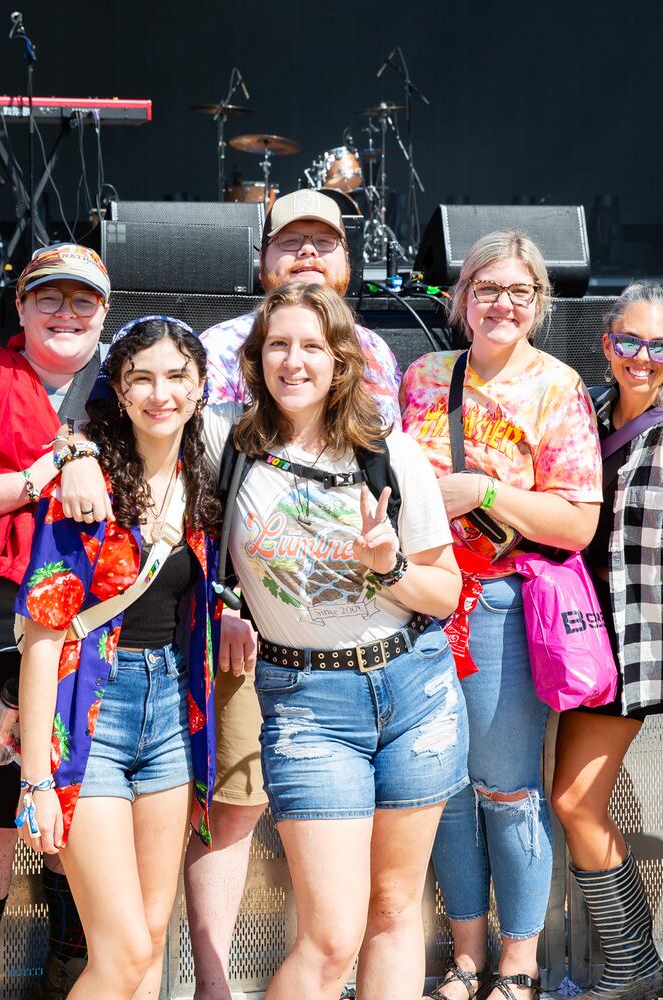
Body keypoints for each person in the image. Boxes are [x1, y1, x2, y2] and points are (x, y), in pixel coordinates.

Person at [206, 280, 463, 999]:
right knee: (328, 939)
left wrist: (388, 566)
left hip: (415, 690)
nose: (294, 361)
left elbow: (442, 593)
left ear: (339, 360)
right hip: (307, 704)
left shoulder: (388, 451)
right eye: (278, 346)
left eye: (311, 347)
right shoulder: (227, 444)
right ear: (255, 361)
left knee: (393, 909)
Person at [188, 187, 403, 1000]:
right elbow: (197, 494)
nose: (307, 255)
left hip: (358, 635)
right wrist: (226, 602)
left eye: (324, 243)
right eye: (291, 243)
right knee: (235, 803)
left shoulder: (377, 356)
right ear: (263, 257)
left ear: (347, 261)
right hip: (248, 622)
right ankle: (212, 984)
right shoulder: (214, 350)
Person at [400, 231, 602, 1000]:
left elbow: (577, 524)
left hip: (500, 606)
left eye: (519, 291)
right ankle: (465, 957)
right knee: (442, 787)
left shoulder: (557, 388)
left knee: (505, 788)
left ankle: (519, 966)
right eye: (486, 288)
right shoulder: (422, 378)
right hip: (419, 603)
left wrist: (481, 492)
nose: (501, 304)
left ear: (539, 303)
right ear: (459, 298)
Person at [15, 316, 219, 1000]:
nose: (160, 394)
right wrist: (37, 780)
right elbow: (43, 637)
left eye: (175, 378)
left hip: (170, 715)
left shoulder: (201, 484)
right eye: (142, 379)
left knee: (152, 941)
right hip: (91, 713)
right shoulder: (85, 491)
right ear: (120, 391)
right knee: (124, 950)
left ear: (198, 388)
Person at [550, 282, 663, 1000]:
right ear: (605, 342)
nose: (641, 356)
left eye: (658, 346)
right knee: (573, 803)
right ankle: (635, 966)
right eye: (628, 340)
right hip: (608, 652)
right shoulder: (581, 421)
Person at [0, 243, 111, 1000]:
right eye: (49, 297)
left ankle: (66, 970)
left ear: (104, 313)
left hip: (103, 634)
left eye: (83, 301)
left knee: (74, 813)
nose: (65, 313)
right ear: (19, 306)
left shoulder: (128, 379)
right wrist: (56, 466)